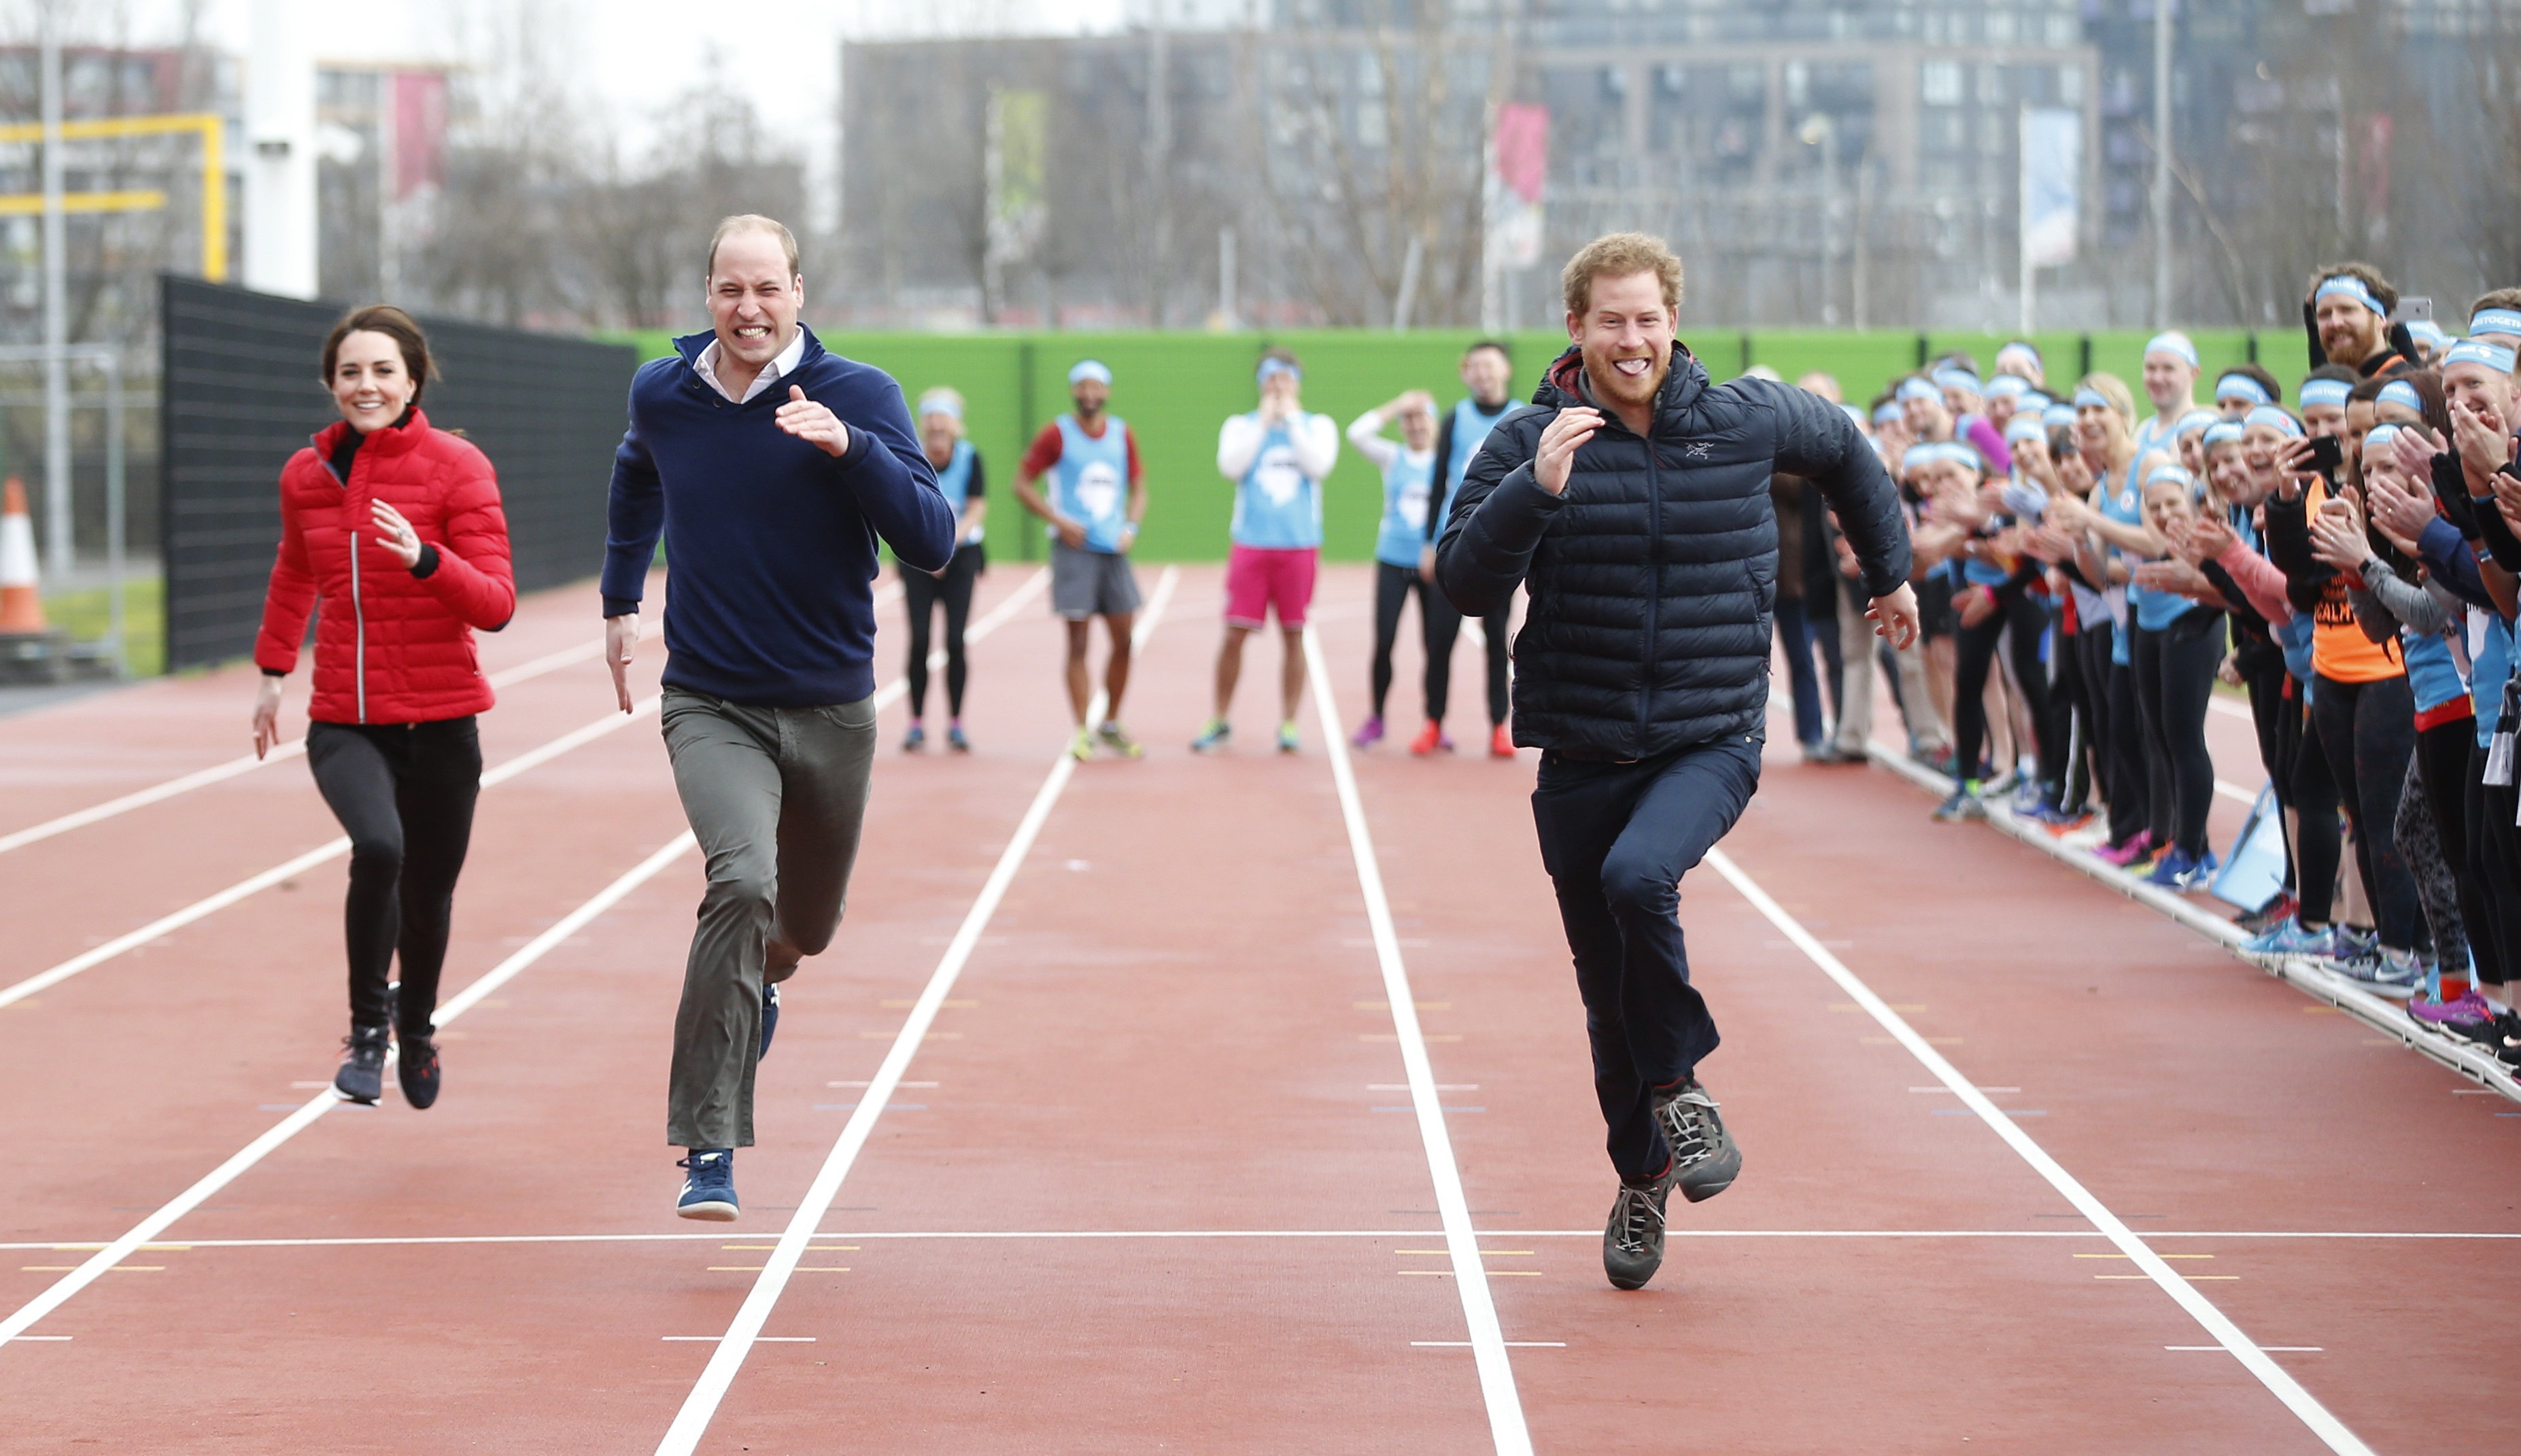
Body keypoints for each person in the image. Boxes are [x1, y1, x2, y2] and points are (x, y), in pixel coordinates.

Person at [1435, 232, 1918, 1293]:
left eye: (1648, 317)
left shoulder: (1743, 417)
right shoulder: (1530, 435)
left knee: (1638, 875)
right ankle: (1642, 1175)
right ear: (1576, 328)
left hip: (1711, 734)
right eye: (1610, 319)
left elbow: (1843, 445)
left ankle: (1682, 1088)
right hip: (1581, 745)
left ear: (1673, 320)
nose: (1632, 338)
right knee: (1606, 1000)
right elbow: (1462, 582)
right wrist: (1537, 489)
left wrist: (1891, 573)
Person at [601, 215, 955, 1221]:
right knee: (741, 880)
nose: (747, 309)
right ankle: (709, 1142)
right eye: (729, 290)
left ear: (800, 291)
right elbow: (636, 474)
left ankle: (764, 987)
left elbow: (930, 540)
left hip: (832, 707)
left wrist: (853, 452)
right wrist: (621, 599)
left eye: (767, 289)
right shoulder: (663, 393)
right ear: (705, 293)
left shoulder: (861, 395)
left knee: (801, 928)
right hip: (710, 698)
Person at [254, 305, 517, 1111]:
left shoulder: (458, 467)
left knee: (429, 893)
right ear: (331, 383)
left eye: (381, 372)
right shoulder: (307, 476)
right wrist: (272, 671)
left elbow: (497, 603)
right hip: (345, 719)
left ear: (412, 380)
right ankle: (368, 1030)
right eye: (349, 372)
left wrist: (426, 559)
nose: (364, 386)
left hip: (441, 721)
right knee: (379, 847)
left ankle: (419, 1022)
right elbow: (296, 570)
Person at [1195, 348, 1337, 755]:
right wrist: (1262, 421)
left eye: (1285, 379)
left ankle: (1289, 722)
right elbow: (1231, 467)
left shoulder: (1316, 426)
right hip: (1251, 545)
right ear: (1260, 383)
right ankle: (1220, 717)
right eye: (1271, 379)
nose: (1277, 387)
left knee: (1295, 635)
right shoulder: (1240, 426)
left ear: (1297, 383)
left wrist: (1290, 420)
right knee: (1234, 633)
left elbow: (1318, 465)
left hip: (1298, 547)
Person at [1013, 360, 1150, 760]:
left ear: (1107, 391)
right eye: (1082, 387)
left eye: (1097, 387)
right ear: (1074, 391)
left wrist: (1132, 527)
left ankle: (1110, 722)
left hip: (1114, 550)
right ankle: (1081, 729)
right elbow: (1021, 483)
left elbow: (1140, 488)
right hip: (1074, 551)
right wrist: (1058, 521)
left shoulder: (1122, 434)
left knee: (1125, 639)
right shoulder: (1057, 434)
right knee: (1078, 643)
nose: (1090, 394)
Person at [1425, 340, 1526, 758]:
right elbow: (1436, 484)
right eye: (1475, 367)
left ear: (1505, 370)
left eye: (1490, 365)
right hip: (1455, 545)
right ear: (1467, 374)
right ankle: (1433, 722)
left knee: (1496, 639)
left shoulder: (1524, 418)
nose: (1483, 373)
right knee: (1439, 640)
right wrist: (1428, 545)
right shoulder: (1455, 419)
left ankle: (1499, 726)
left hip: (1501, 547)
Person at [1347, 389, 1450, 752]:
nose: (1416, 425)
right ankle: (1376, 717)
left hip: (1433, 565)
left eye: (1422, 417)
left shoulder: (1446, 462)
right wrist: (1396, 404)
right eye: (1410, 419)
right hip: (1392, 560)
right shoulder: (1393, 457)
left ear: (1435, 423)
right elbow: (1357, 434)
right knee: (1385, 641)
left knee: (1435, 646)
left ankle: (1434, 722)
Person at [900, 388, 988, 752]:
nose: (937, 424)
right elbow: (903, 505)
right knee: (920, 640)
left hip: (961, 556)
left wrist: (948, 546)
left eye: (943, 418)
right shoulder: (911, 456)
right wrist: (928, 549)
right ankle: (917, 722)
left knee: (955, 640)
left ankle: (956, 722)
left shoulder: (970, 458)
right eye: (931, 418)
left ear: (955, 425)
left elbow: (977, 507)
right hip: (919, 558)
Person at [2304, 263, 2417, 377]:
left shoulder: (2404, 386)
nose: (2335, 323)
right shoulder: (2332, 387)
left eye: (2347, 310)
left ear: (2382, 319)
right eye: (2324, 314)